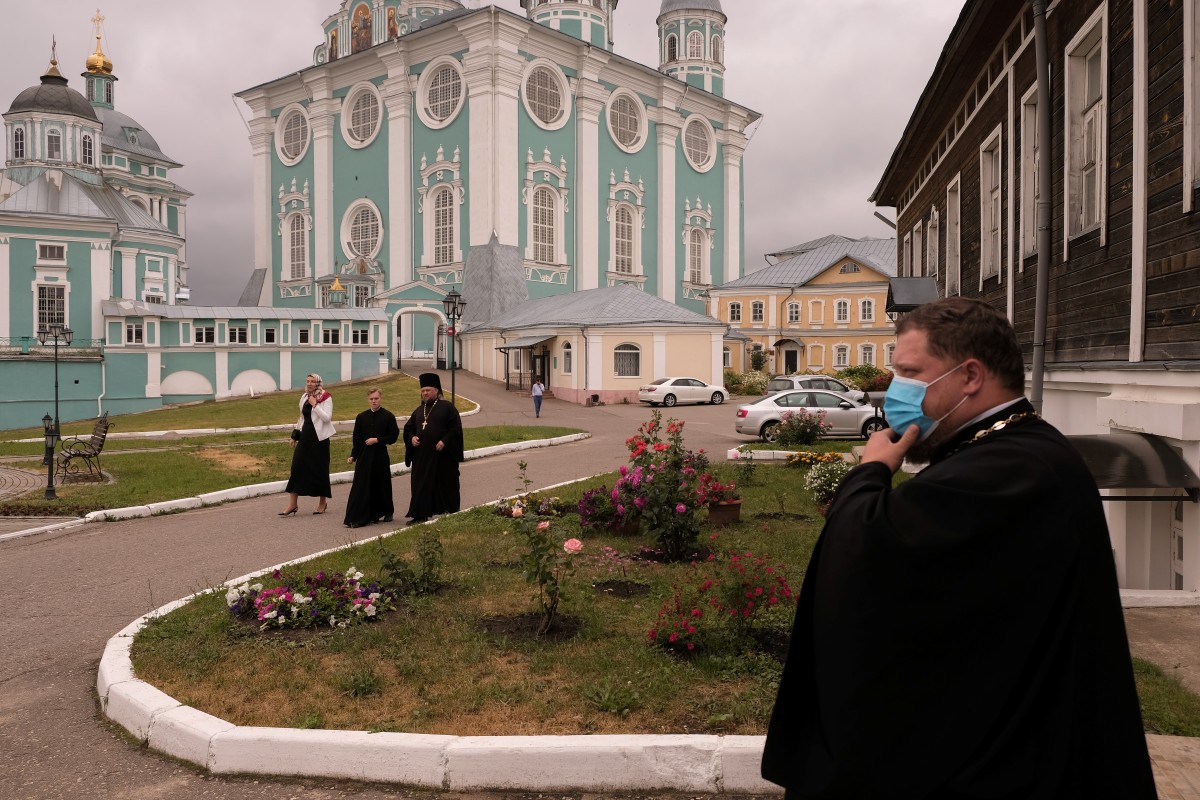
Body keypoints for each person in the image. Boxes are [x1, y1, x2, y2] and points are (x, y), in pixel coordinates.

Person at [762, 297, 1157, 799]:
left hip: (1009, 766)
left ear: (970, 376)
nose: (894, 390)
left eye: (909, 372)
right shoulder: (1015, 450)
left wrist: (870, 471)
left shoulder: (1008, 470)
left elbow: (868, 555)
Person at [402, 372, 463, 524]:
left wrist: (445, 441)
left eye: (428, 390)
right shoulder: (418, 411)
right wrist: (412, 438)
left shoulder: (448, 407)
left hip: (442, 455)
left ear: (436, 390)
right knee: (420, 484)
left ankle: (449, 511)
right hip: (421, 456)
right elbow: (408, 429)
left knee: (445, 483)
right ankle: (420, 514)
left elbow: (455, 429)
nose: (425, 393)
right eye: (423, 391)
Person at [343, 387, 400, 529]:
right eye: (371, 399)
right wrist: (353, 455)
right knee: (361, 485)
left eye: (376, 398)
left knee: (382, 484)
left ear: (381, 398)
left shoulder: (388, 416)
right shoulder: (361, 417)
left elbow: (393, 437)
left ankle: (387, 511)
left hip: (380, 456)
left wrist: (377, 440)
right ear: (368, 400)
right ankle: (361, 516)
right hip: (364, 456)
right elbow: (357, 439)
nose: (374, 401)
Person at [280, 373, 333, 516]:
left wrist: (315, 404)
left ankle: (322, 502)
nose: (309, 383)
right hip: (305, 438)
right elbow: (301, 418)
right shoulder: (304, 397)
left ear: (318, 383)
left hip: (319, 439)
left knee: (320, 469)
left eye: (312, 381)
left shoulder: (326, 397)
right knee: (296, 468)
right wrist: (294, 436)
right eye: (307, 381)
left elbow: (327, 418)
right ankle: (293, 504)